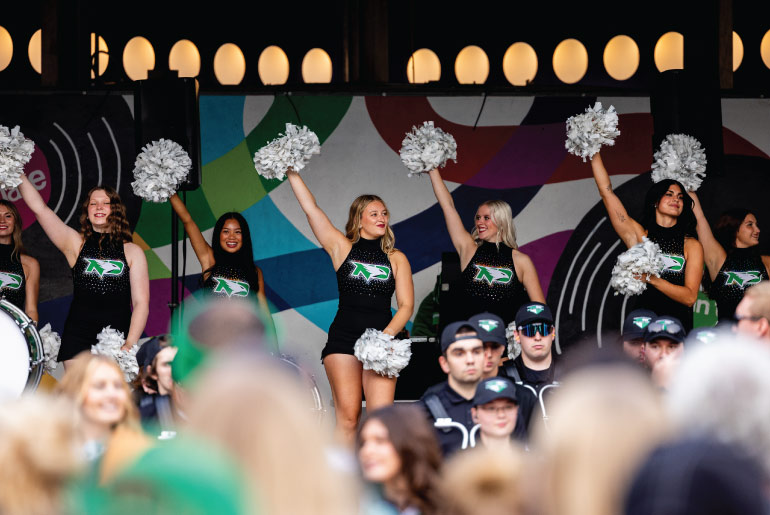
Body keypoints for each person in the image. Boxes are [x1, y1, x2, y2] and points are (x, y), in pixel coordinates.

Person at [286, 168, 414, 444]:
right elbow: (312, 210)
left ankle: (382, 486)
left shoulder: (397, 258)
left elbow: (405, 306)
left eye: (384, 213)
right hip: (343, 339)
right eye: (374, 213)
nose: (382, 218)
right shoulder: (341, 248)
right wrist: (291, 171)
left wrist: (385, 337)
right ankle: (342, 484)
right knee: (348, 419)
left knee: (382, 422)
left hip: (383, 340)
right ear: (359, 220)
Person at [18, 177, 149, 367]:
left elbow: (141, 303)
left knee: (109, 395)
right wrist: (17, 170)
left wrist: (130, 343)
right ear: (87, 212)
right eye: (93, 203)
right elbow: (40, 209)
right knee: (77, 395)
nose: (98, 207)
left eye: (106, 203)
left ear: (116, 211)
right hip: (78, 334)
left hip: (117, 336)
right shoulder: (76, 244)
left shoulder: (132, 251)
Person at [589, 152, 703, 331]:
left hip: (677, 325)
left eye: (680, 197)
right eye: (669, 194)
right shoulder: (640, 237)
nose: (676, 199)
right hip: (643, 324)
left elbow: (689, 298)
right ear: (656, 202)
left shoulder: (691, 245)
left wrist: (652, 279)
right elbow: (607, 193)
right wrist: (593, 151)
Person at [427, 168, 544, 326]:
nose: (479, 222)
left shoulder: (521, 261)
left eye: (486, 218)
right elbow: (448, 207)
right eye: (478, 217)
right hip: (471, 340)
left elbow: (539, 309)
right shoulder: (469, 248)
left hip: (503, 343)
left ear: (501, 221)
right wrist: (432, 169)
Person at [168, 194, 274, 332]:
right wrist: (168, 189)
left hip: (246, 341)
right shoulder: (210, 259)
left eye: (237, 232)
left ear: (245, 237)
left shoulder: (254, 272)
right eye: (226, 232)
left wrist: (275, 352)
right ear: (218, 235)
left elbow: (264, 314)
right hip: (213, 341)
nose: (231, 237)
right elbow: (188, 221)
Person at [56, 353, 148, 483]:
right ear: (75, 392)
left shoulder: (138, 452)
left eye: (118, 386)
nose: (112, 394)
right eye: (99, 386)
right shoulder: (53, 455)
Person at [690, 193, 770, 320]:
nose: (757, 230)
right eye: (750, 224)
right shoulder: (720, 260)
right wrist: (687, 185)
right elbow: (699, 219)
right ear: (734, 228)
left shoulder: (766, 262)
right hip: (726, 335)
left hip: (758, 336)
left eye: (756, 225)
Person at [358, 404, 442, 515]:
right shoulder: (356, 506)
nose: (366, 451)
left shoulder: (449, 504)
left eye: (380, 441)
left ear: (409, 443)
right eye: (363, 443)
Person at [419, 320, 484, 456]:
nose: (470, 360)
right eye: (459, 353)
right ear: (444, 363)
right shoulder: (424, 410)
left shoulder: (505, 403)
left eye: (476, 351)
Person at [500, 302, 561, 433]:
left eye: (544, 329)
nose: (538, 337)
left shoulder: (571, 373)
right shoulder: (502, 379)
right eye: (530, 330)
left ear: (553, 333)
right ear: (517, 335)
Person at [0, 200, 39, 321]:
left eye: (8, 216)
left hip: (12, 335)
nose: (2, 221)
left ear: (15, 222)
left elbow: (31, 310)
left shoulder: (29, 264)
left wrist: (31, 338)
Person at [471, 377, 519, 451]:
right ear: (475, 414)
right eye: (491, 408)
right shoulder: (461, 462)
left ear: (517, 410)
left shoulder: (533, 461)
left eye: (508, 407)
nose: (501, 415)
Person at [468, 312, 507, 379]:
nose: (489, 354)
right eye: (482, 347)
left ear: (502, 348)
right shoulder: (451, 389)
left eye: (495, 347)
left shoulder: (517, 389)